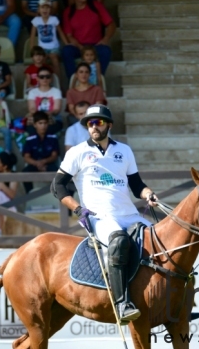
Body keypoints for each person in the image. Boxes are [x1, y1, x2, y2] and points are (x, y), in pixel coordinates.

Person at [51, 104, 158, 323]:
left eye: (98, 122)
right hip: (99, 217)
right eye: (90, 123)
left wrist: (148, 194)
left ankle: (176, 300)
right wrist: (78, 209)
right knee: (118, 241)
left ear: (108, 124)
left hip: (128, 214)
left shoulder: (124, 151)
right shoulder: (77, 152)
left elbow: (136, 184)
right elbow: (57, 186)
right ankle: (122, 303)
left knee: (160, 240)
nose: (94, 127)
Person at [61, 0, 115, 80]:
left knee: (106, 51)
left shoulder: (96, 6)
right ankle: (74, 81)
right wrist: (81, 47)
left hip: (95, 46)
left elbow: (111, 25)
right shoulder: (68, 12)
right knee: (66, 51)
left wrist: (106, 39)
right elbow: (69, 36)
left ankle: (97, 80)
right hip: (78, 46)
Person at [22, 110, 59, 193]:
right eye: (40, 123)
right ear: (35, 124)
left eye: (45, 123)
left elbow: (54, 155)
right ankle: (29, 195)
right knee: (24, 173)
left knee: (59, 174)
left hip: (49, 164)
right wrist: (37, 163)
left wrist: (43, 162)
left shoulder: (53, 137)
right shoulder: (29, 139)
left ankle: (56, 196)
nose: (43, 126)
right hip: (34, 164)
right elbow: (26, 157)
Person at [30, 0, 67, 79]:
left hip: (54, 47)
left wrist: (66, 43)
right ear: (38, 9)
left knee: (54, 58)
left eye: (47, 7)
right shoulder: (36, 20)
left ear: (50, 9)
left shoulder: (54, 19)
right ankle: (42, 82)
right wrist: (32, 49)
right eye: (42, 7)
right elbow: (32, 36)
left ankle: (58, 83)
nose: (45, 10)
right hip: (42, 48)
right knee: (42, 60)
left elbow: (60, 32)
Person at [26, 67, 63, 133]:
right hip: (37, 119)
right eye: (41, 77)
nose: (45, 79)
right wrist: (41, 118)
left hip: (53, 118)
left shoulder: (56, 91)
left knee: (48, 129)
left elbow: (56, 110)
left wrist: (46, 116)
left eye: (47, 76)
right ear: (37, 78)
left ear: (51, 79)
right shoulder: (32, 92)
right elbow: (32, 109)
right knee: (31, 129)